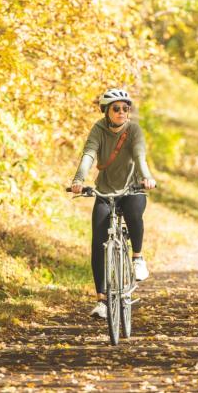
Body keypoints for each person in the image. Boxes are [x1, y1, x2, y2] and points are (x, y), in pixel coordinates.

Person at [70, 88, 157, 319]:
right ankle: (101, 300)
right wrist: (79, 179)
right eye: (116, 108)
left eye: (125, 108)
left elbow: (139, 155)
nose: (121, 112)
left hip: (132, 188)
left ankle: (137, 258)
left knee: (134, 213)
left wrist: (146, 177)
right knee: (98, 241)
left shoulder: (134, 129)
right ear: (106, 111)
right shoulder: (98, 129)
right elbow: (89, 154)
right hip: (105, 190)